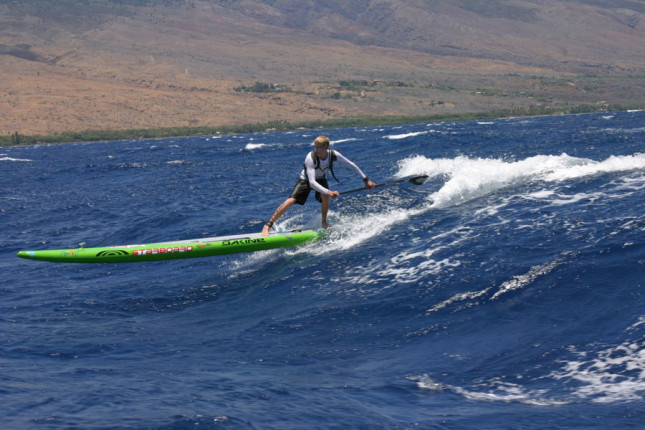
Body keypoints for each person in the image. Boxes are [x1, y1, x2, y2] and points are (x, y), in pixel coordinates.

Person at [262, 135, 375, 236]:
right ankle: (268, 225)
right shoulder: (310, 158)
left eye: (318, 147)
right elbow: (311, 182)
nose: (315, 150)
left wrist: (366, 179)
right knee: (290, 201)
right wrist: (328, 191)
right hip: (306, 180)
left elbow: (351, 164)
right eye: (314, 147)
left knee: (325, 198)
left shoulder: (333, 154)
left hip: (321, 179)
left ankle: (324, 222)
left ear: (326, 147)